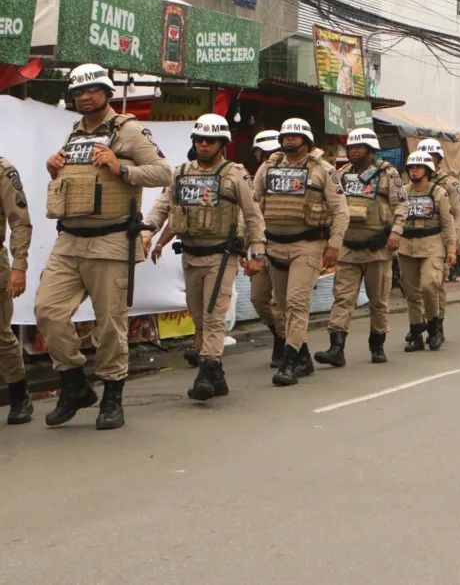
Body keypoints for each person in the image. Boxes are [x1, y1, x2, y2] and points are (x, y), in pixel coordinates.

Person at [37, 63, 173, 430]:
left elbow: (164, 172)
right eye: (78, 92)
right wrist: (55, 169)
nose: (84, 96)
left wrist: (122, 168)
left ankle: (112, 394)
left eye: (91, 90)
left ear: (107, 92)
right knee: (47, 311)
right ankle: (75, 383)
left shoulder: (128, 131)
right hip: (69, 241)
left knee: (110, 324)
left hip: (111, 241)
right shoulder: (74, 132)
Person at [144, 115, 267, 401]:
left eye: (209, 140)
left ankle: (206, 369)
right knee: (198, 315)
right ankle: (218, 375)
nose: (203, 144)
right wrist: (150, 232)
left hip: (221, 257)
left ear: (222, 143)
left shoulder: (236, 174)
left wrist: (257, 253)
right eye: (199, 139)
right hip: (190, 256)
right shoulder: (181, 173)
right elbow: (163, 207)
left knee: (213, 314)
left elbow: (253, 216)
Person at [253, 118, 348, 386]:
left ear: (306, 141)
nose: (290, 140)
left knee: (296, 303)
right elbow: (251, 203)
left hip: (307, 245)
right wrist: (249, 242)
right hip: (273, 245)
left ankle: (290, 361)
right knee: (279, 307)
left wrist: (334, 245)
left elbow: (341, 210)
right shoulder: (269, 166)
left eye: (296, 137)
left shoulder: (323, 170)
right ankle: (303, 355)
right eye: (286, 136)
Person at [315, 128, 406, 367]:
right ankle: (336, 348)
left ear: (370, 149)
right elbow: (332, 207)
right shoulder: (342, 174)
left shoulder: (388, 174)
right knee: (343, 299)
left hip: (377, 250)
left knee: (378, 301)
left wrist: (396, 231)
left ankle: (377, 345)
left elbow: (401, 206)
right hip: (348, 249)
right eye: (351, 147)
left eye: (358, 147)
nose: (353, 151)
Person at [398, 151, 456, 351]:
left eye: (418, 167)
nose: (413, 171)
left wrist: (451, 249)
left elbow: (448, 223)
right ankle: (415, 332)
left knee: (429, 284)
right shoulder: (402, 192)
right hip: (406, 245)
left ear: (427, 170)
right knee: (411, 292)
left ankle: (434, 327)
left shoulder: (438, 192)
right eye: (411, 168)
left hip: (432, 245)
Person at [416, 139, 460, 344]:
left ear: (439, 159)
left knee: (434, 285)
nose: (427, 160)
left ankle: (437, 326)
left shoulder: (450, 183)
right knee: (415, 287)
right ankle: (418, 323)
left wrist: (452, 243)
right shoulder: (411, 181)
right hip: (413, 240)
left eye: (431, 157)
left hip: (439, 240)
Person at [0, 156, 31, 424]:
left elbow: (19, 221)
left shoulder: (3, 171)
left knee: (0, 334)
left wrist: (18, 266)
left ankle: (20, 397)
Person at [249, 129, 284, 367]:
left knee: (283, 302)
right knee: (258, 298)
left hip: (288, 246)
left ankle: (287, 344)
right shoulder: (254, 179)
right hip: (262, 246)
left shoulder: (295, 176)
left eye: (275, 152)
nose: (270, 158)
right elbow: (248, 213)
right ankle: (279, 334)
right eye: (265, 153)